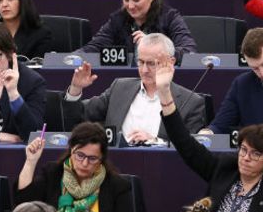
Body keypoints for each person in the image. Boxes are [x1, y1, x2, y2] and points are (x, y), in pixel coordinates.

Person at [161, 70, 263, 212]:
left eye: (255, 154)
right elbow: (185, 144)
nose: (246, 157)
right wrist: (164, 94)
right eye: (243, 150)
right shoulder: (225, 168)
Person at [64, 33, 207, 142]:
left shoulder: (191, 102)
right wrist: (76, 89)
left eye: (151, 63)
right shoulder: (119, 88)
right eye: (140, 62)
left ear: (171, 62)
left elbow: (191, 149)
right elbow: (80, 116)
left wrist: (155, 142)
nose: (144, 70)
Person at [18, 122, 136, 212]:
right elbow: (24, 206)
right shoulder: (53, 174)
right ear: (71, 151)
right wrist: (30, 162)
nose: (84, 163)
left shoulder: (118, 186)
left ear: (102, 159)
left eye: (92, 158)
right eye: (80, 155)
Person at [80, 0, 197, 61]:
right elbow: (94, 47)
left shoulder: (170, 18)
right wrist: (74, 57)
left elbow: (189, 52)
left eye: (136, 0)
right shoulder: (118, 18)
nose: (130, 6)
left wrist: (154, 47)